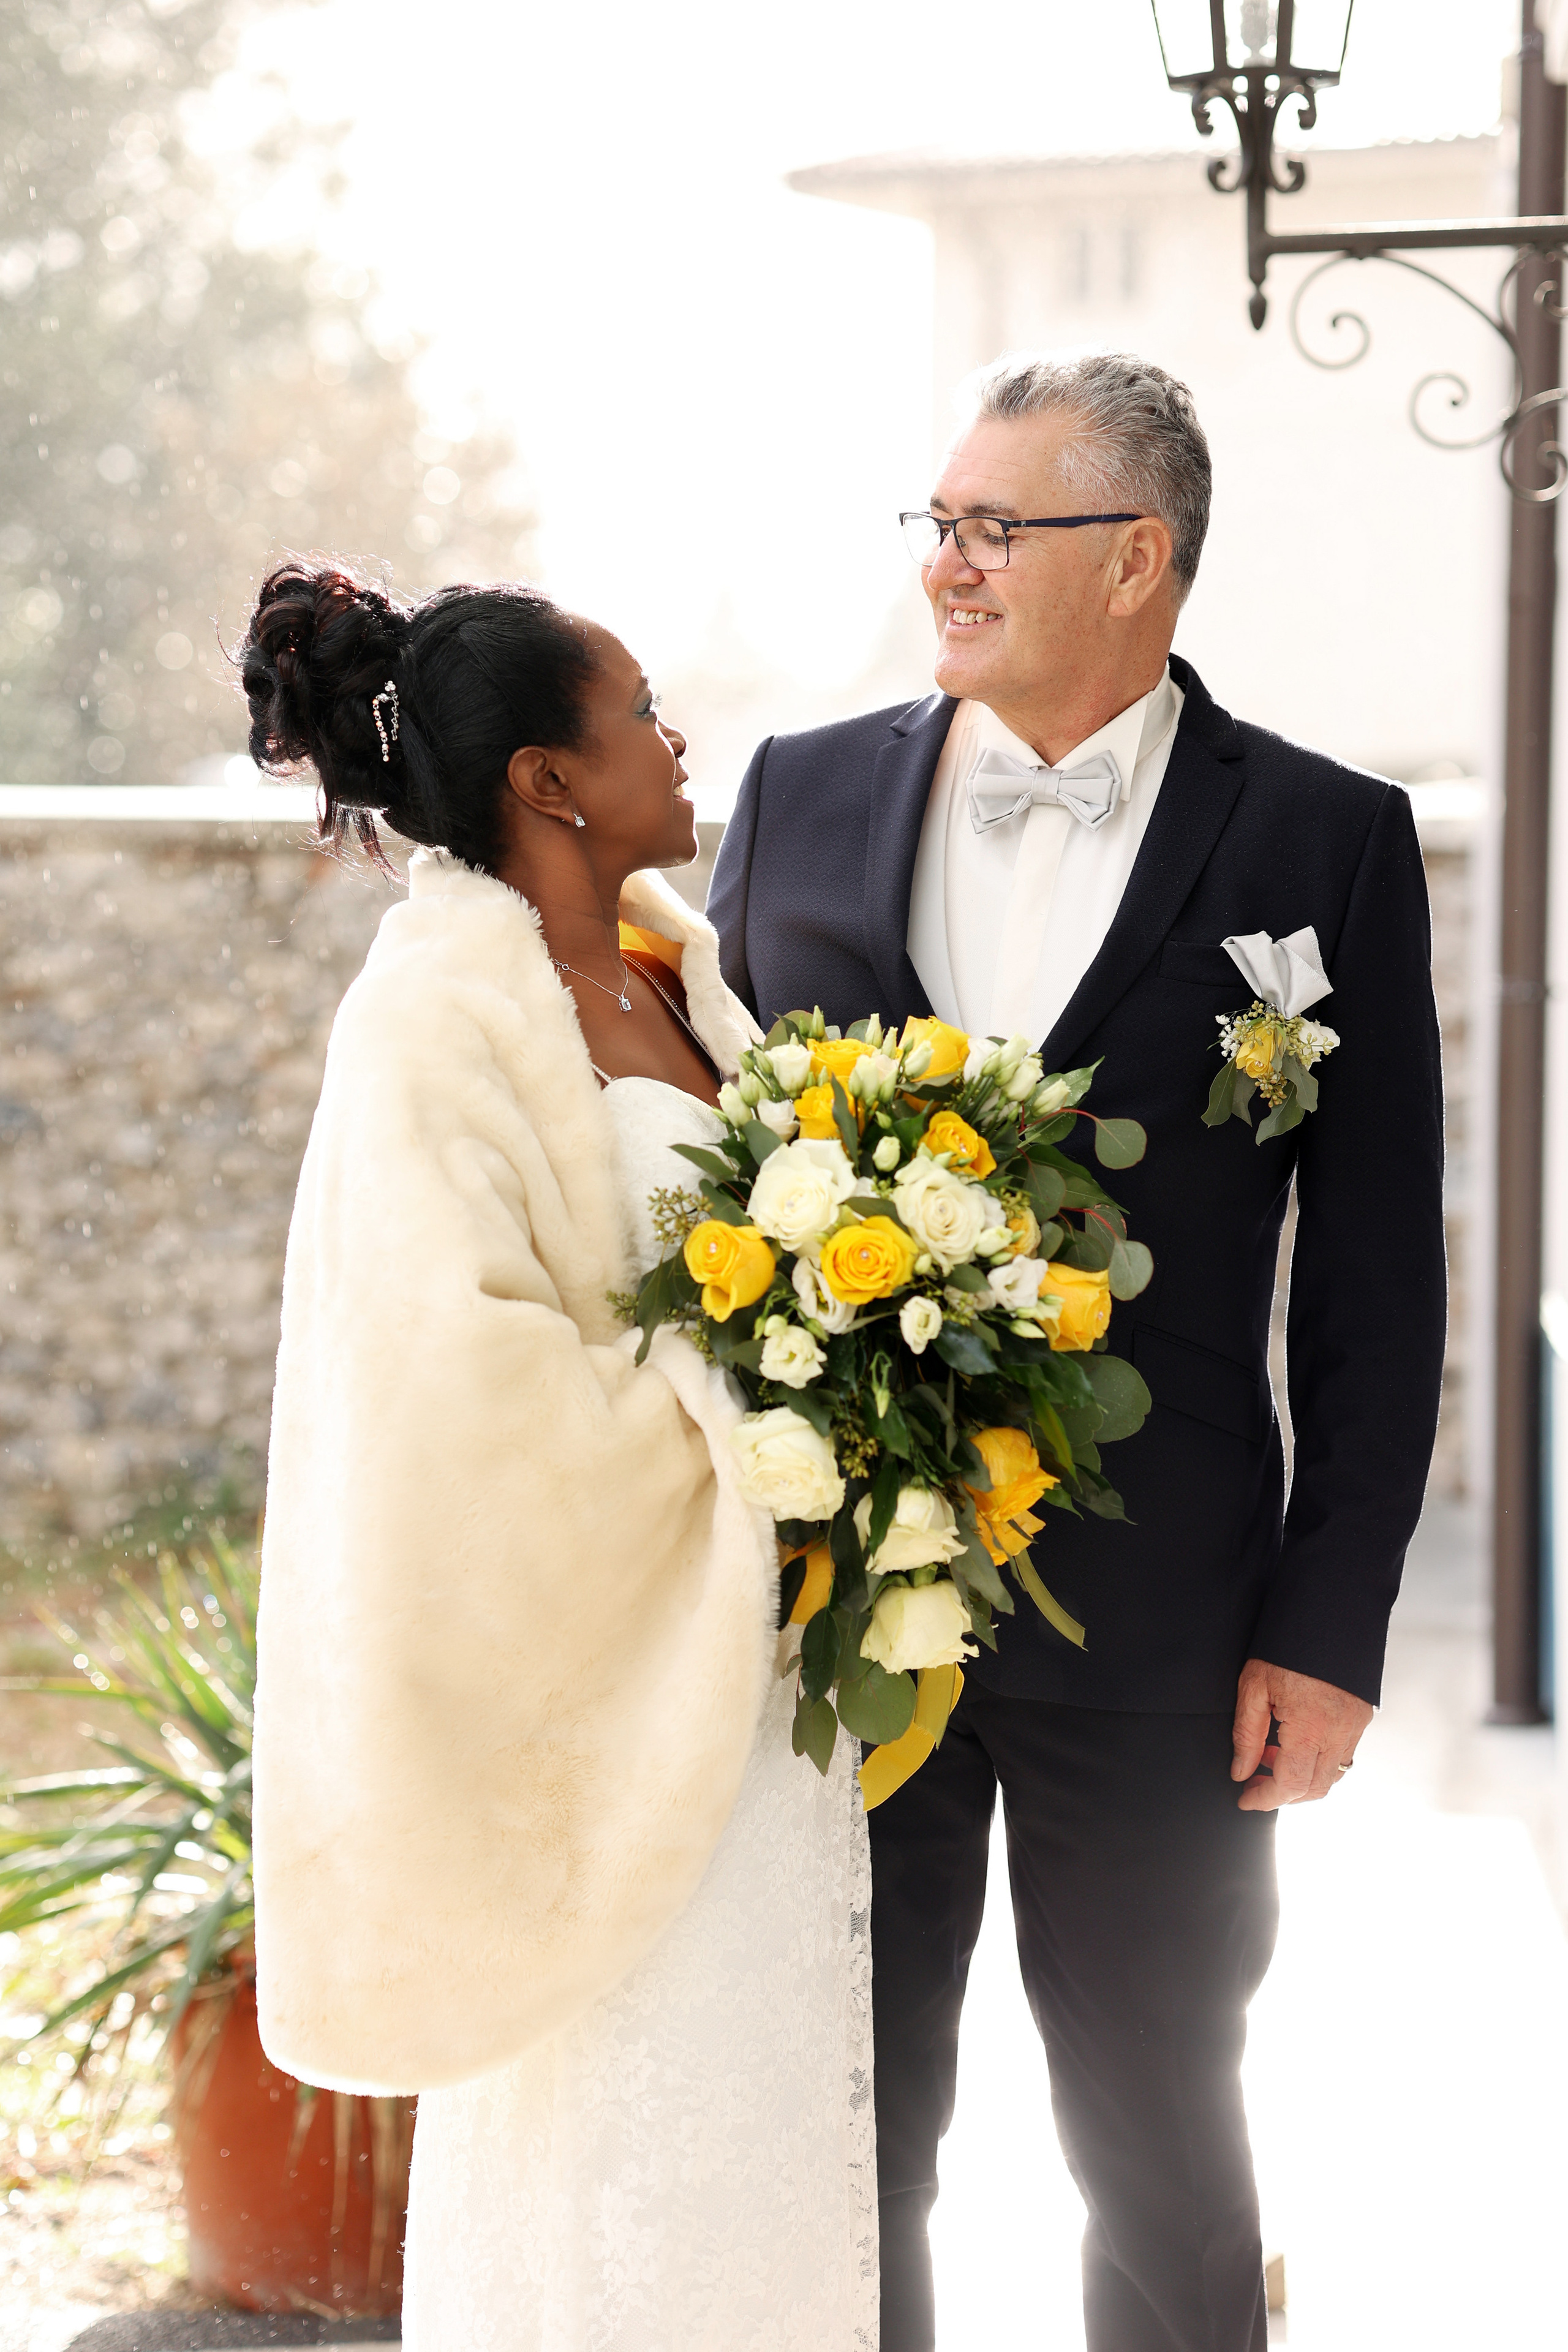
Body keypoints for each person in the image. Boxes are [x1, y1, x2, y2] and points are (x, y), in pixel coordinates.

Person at [708, 350, 1447, 2352]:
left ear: (1138, 559)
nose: (946, 565)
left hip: (1177, 1620)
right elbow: (697, 1179)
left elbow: (1375, 1281)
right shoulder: (796, 797)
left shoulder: (1327, 841)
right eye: (936, 524)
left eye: (989, 528)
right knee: (856, 2125)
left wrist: (1331, 1624)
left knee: (1163, 2141)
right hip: (837, 1605)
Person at [241, 564, 877, 2351]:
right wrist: (747, 1421)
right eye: (644, 710)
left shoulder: (679, 970)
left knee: (768, 2127)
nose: (680, 742)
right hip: (601, 1697)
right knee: (614, 2153)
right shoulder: (433, 1021)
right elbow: (455, 1389)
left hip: (757, 1697)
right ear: (547, 780)